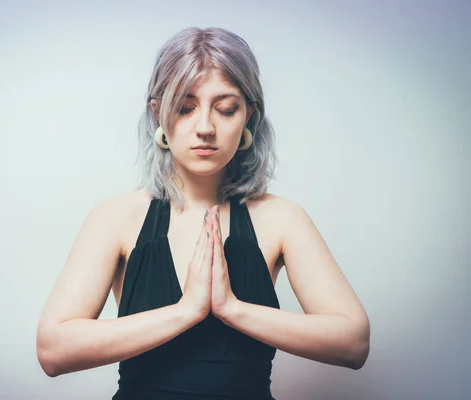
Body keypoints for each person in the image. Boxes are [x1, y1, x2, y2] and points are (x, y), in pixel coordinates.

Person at [36, 27, 370, 399]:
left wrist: (231, 308)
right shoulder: (116, 219)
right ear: (158, 113)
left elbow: (353, 343)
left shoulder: (282, 220)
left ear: (249, 116)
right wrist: (186, 311)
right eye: (185, 107)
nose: (206, 127)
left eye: (226, 109)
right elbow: (52, 350)